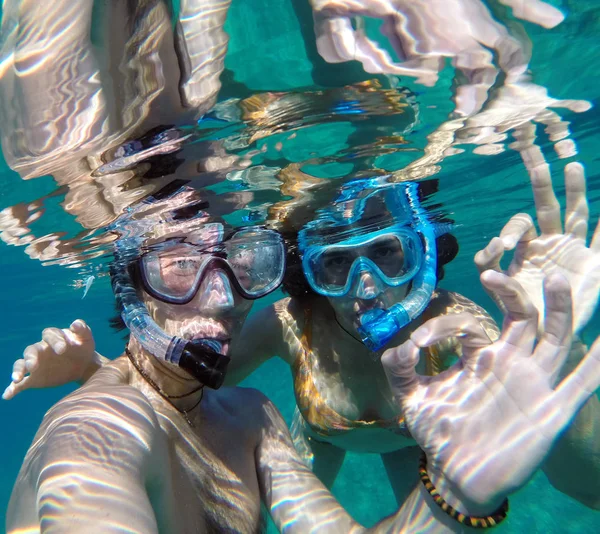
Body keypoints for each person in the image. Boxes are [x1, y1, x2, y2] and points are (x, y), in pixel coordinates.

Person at [8, 157, 600, 510]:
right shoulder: (292, 322)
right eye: (336, 265)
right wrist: (94, 373)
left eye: (388, 254)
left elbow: (586, 484)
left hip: (418, 447)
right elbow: (178, 386)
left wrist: (559, 345)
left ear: (425, 255)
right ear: (306, 273)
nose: (367, 289)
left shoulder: (461, 329)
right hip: (323, 442)